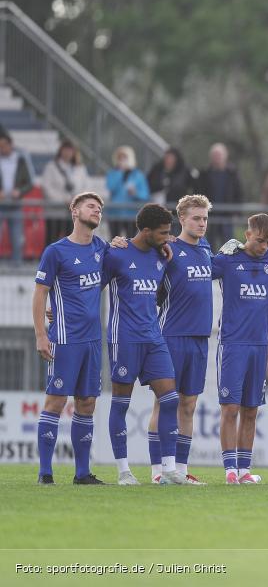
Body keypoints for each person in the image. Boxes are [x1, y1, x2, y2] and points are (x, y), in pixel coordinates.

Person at [104, 203, 185, 485]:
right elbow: (91, 288)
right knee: (121, 403)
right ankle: (124, 471)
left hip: (154, 337)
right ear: (146, 230)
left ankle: (169, 469)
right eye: (163, 232)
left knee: (171, 398)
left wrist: (165, 243)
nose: (168, 236)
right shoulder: (116, 254)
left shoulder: (161, 254)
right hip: (124, 338)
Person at [33, 192, 107, 485]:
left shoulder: (101, 248)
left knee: (87, 402)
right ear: (74, 211)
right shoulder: (56, 251)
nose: (96, 211)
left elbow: (97, 284)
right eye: (91, 206)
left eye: (100, 209)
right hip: (64, 339)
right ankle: (45, 473)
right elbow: (40, 293)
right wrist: (41, 334)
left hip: (92, 341)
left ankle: (82, 473)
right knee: (55, 401)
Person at [141, 195, 213, 485]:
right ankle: (158, 470)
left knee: (189, 405)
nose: (202, 223)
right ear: (181, 219)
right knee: (164, 403)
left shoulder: (207, 249)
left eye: (205, 218)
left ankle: (181, 471)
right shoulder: (166, 249)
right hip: (170, 335)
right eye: (196, 218)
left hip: (199, 338)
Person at [214, 214, 268, 484]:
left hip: (260, 345)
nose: (263, 246)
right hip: (233, 343)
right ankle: (229, 469)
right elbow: (197, 270)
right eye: (259, 240)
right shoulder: (228, 259)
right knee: (230, 408)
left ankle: (244, 471)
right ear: (247, 234)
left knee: (251, 410)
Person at [40, 141, 90, 244]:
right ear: (60, 151)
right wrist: (63, 200)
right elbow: (46, 187)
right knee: (51, 240)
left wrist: (76, 200)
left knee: (73, 241)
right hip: (55, 212)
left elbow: (86, 187)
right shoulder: (51, 167)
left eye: (70, 150)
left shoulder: (80, 168)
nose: (67, 153)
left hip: (74, 213)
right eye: (65, 150)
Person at [197, 143, 242, 248]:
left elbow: (238, 193)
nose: (217, 158)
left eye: (219, 155)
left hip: (227, 216)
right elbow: (198, 193)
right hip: (209, 216)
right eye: (215, 155)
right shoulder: (204, 173)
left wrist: (237, 212)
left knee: (229, 246)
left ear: (225, 156)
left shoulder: (232, 173)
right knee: (209, 245)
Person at [0, 131, 34, 264]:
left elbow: (29, 183)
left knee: (16, 237)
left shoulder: (20, 160)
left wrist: (19, 192)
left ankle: (16, 266)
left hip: (15, 204)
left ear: (10, 145)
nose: (2, 149)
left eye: (3, 146)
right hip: (1, 204)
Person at [106, 146, 149, 238]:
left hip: (131, 215)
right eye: (119, 158)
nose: (122, 161)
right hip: (115, 214)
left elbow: (145, 195)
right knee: (114, 241)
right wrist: (120, 173)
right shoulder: (112, 173)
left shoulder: (138, 175)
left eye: (125, 158)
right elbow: (111, 187)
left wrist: (135, 193)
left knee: (131, 241)